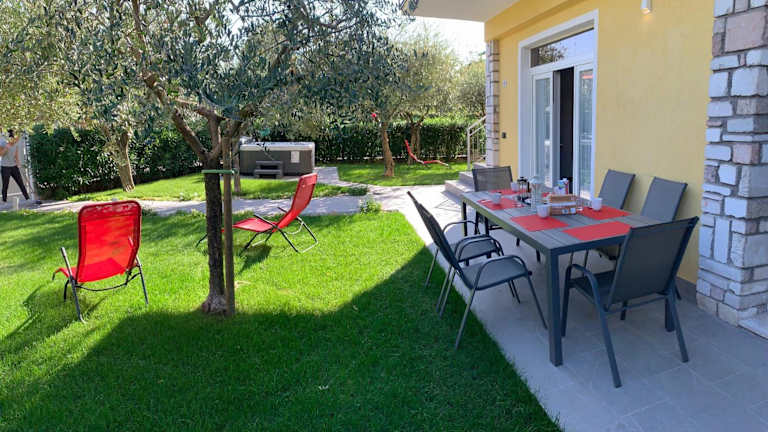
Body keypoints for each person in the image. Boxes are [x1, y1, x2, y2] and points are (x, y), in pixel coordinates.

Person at [0, 129, 31, 203]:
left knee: (20, 183)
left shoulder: (16, 145)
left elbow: (16, 156)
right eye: (14, 139)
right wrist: (6, 148)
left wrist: (18, 163)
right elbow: (1, 154)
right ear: (10, 138)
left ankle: (27, 198)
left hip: (14, 166)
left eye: (16, 139)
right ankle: (4, 200)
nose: (16, 140)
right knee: (5, 185)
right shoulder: (3, 143)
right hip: (5, 167)